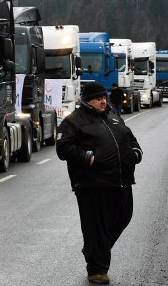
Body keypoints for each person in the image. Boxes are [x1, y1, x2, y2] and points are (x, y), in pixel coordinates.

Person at [56, 81, 143, 285]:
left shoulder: (114, 117)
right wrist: (89, 158)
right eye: (98, 98)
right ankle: (97, 269)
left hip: (121, 181)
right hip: (91, 184)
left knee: (124, 216)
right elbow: (64, 148)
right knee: (96, 226)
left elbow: (131, 140)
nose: (103, 101)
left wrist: (135, 154)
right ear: (87, 101)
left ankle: (95, 250)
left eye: (104, 97)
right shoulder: (74, 121)